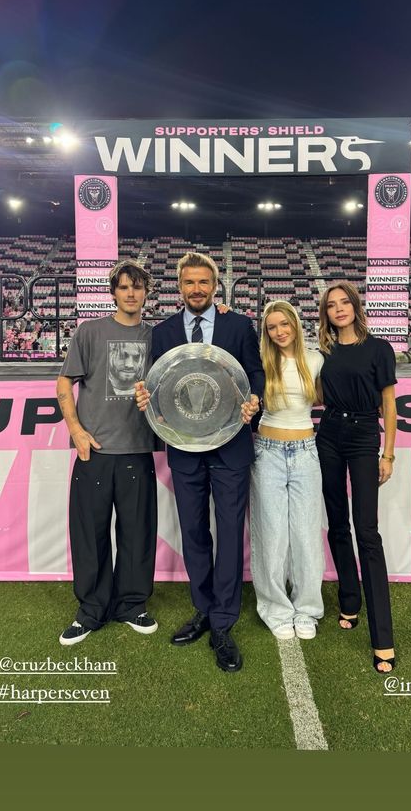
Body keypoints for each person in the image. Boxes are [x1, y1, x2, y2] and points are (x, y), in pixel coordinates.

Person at [137, 251, 263, 673]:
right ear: (179, 286)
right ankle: (203, 610)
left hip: (230, 445)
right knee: (193, 531)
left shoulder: (239, 324)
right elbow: (156, 385)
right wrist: (144, 398)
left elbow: (255, 375)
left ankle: (224, 622)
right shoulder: (164, 331)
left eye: (203, 283)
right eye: (189, 283)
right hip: (185, 447)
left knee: (229, 533)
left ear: (215, 286)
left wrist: (254, 403)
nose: (196, 289)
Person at [56, 260, 158, 646]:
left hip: (137, 449)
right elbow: (64, 382)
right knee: (90, 534)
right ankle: (91, 609)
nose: (131, 293)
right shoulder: (90, 332)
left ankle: (132, 605)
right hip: (93, 451)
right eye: (124, 287)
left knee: (137, 533)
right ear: (113, 292)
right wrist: (76, 429)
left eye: (137, 287)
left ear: (146, 292)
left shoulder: (157, 337)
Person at [316, 281, 397, 674]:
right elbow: (316, 396)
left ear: (355, 305)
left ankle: (383, 637)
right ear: (326, 314)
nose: (339, 309)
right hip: (328, 434)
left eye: (344, 302)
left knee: (367, 531)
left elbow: (389, 403)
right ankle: (349, 599)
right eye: (331, 306)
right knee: (336, 526)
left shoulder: (379, 349)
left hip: (365, 435)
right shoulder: (323, 352)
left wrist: (388, 453)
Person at [250, 301, 324, 640]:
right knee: (272, 534)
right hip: (267, 452)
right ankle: (275, 608)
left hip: (306, 451)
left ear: (295, 324)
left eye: (285, 324)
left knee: (307, 534)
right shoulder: (262, 361)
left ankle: (307, 609)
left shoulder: (316, 359)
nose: (279, 332)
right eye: (272, 327)